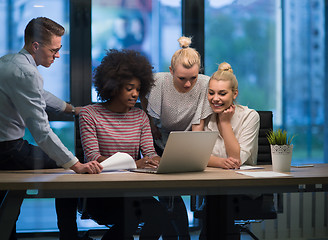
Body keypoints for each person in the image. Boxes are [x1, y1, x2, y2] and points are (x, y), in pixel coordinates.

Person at [0, 17, 102, 240]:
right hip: (6, 153)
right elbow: (41, 131)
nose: (58, 55)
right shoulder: (27, 73)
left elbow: (40, 95)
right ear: (35, 46)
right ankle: (69, 236)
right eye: (54, 50)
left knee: (5, 212)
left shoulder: (9, 61)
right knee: (67, 171)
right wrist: (76, 165)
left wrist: (71, 109)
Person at [59, 49, 177, 240]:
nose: (135, 94)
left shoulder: (140, 116)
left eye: (138, 89)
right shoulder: (90, 114)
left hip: (131, 192)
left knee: (161, 216)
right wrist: (134, 163)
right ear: (114, 86)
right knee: (129, 218)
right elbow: (94, 158)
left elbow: (149, 152)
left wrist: (158, 160)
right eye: (129, 88)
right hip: (101, 196)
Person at [141, 36, 212, 240]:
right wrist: (151, 124)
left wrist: (193, 151)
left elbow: (198, 124)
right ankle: (181, 237)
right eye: (182, 78)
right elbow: (144, 101)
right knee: (168, 193)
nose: (189, 84)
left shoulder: (205, 83)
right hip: (159, 140)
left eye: (194, 78)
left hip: (187, 141)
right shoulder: (158, 81)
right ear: (171, 71)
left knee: (192, 189)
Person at [200, 62, 259, 239]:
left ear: (235, 94)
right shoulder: (205, 117)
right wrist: (219, 162)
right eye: (211, 93)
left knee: (218, 203)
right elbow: (197, 156)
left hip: (241, 189)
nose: (215, 98)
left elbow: (236, 160)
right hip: (210, 187)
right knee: (215, 201)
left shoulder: (250, 116)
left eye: (222, 93)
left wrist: (225, 123)